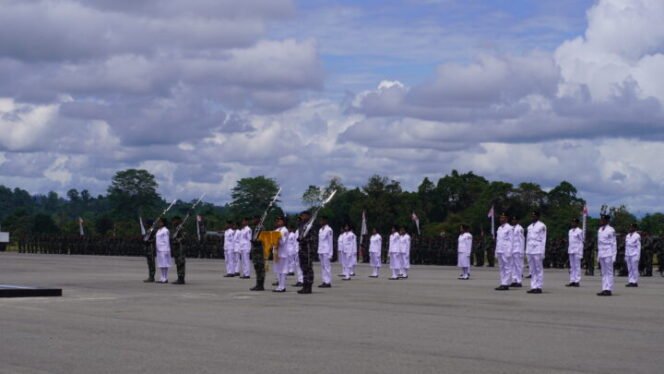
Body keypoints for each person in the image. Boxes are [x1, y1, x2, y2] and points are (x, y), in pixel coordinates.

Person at [526, 211, 547, 294]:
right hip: (530, 249)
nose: (533, 217)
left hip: (538, 249)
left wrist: (542, 252)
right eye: (532, 216)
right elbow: (527, 239)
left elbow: (543, 239)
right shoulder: (529, 227)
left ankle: (539, 287)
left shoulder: (542, 226)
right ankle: (533, 286)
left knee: (538, 269)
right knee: (532, 269)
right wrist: (527, 251)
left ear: (538, 217)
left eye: (534, 216)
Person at [597, 215, 617, 296]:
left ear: (607, 220)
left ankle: (609, 289)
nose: (601, 221)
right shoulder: (600, 230)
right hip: (602, 252)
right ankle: (604, 288)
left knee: (609, 272)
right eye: (601, 219)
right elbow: (599, 243)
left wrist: (614, 255)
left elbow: (614, 243)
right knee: (603, 272)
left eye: (602, 219)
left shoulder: (611, 230)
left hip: (609, 252)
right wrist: (598, 255)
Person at [297, 211, 315, 294]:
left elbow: (313, 238)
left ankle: (308, 286)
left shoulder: (310, 226)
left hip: (307, 250)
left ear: (308, 216)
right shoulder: (301, 225)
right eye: (301, 216)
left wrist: (305, 240)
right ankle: (305, 285)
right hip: (302, 249)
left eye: (304, 216)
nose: (302, 217)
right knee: (303, 268)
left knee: (308, 268)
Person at [494, 213, 513, 291]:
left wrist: (509, 251)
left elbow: (511, 240)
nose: (501, 219)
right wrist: (496, 251)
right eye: (501, 217)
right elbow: (498, 240)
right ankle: (502, 282)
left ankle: (506, 283)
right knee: (501, 268)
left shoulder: (510, 228)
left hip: (506, 250)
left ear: (507, 219)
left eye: (503, 217)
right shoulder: (499, 228)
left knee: (507, 267)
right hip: (500, 250)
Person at [272, 216, 290, 292]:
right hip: (276, 252)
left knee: (283, 270)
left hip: (282, 252)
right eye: (277, 220)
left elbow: (282, 242)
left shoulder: (284, 230)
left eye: (280, 220)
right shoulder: (277, 230)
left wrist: (277, 239)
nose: (278, 221)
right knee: (278, 270)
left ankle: (282, 286)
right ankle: (279, 285)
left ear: (283, 222)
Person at [566, 218, 584, 287]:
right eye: (572, 222)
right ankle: (572, 280)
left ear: (577, 223)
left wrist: (580, 252)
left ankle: (577, 281)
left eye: (574, 222)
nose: (573, 224)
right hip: (571, 250)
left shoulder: (579, 231)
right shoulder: (570, 231)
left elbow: (581, 242)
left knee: (577, 266)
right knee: (572, 266)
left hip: (577, 250)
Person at [317, 216, 333, 288]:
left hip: (326, 250)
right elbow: (319, 241)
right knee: (323, 267)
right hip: (321, 250)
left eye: (322, 220)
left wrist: (330, 253)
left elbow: (330, 242)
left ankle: (328, 282)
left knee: (327, 267)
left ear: (325, 221)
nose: (321, 221)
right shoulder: (320, 230)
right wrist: (318, 250)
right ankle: (324, 281)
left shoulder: (329, 229)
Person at [155, 218, 172, 283]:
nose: (159, 223)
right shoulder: (158, 230)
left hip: (164, 249)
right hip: (159, 249)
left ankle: (165, 277)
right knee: (161, 264)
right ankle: (162, 277)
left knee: (165, 264)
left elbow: (167, 241)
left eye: (160, 222)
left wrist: (167, 250)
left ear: (163, 223)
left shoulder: (165, 230)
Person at [171, 216, 186, 285]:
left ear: (178, 221)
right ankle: (179, 277)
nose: (173, 222)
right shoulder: (176, 229)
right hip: (176, 248)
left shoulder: (181, 228)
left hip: (180, 248)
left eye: (174, 220)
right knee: (177, 262)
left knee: (181, 263)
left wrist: (177, 240)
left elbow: (184, 238)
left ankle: (181, 278)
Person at [510, 216, 525, 287]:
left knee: (518, 266)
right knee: (512, 266)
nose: (513, 221)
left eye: (515, 220)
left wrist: (522, 251)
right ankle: (514, 280)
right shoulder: (511, 228)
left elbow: (521, 240)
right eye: (512, 220)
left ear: (517, 221)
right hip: (512, 250)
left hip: (518, 249)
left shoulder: (520, 229)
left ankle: (519, 281)